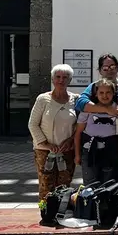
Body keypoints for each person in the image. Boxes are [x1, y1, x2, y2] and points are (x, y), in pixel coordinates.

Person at [28, 64, 79, 200]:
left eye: (65, 77)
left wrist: (71, 140)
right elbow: (33, 124)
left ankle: (62, 212)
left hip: (67, 151)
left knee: (65, 185)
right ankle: (47, 214)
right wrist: (46, 144)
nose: (61, 80)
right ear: (52, 79)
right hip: (44, 151)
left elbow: (80, 125)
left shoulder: (76, 99)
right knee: (46, 186)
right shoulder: (43, 99)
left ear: (70, 80)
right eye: (58, 77)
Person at [74, 78, 118, 185]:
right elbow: (78, 133)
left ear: (114, 93)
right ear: (96, 94)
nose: (105, 96)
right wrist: (77, 155)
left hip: (110, 151)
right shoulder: (88, 109)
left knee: (108, 185)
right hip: (89, 151)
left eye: (108, 92)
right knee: (90, 185)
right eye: (101, 93)